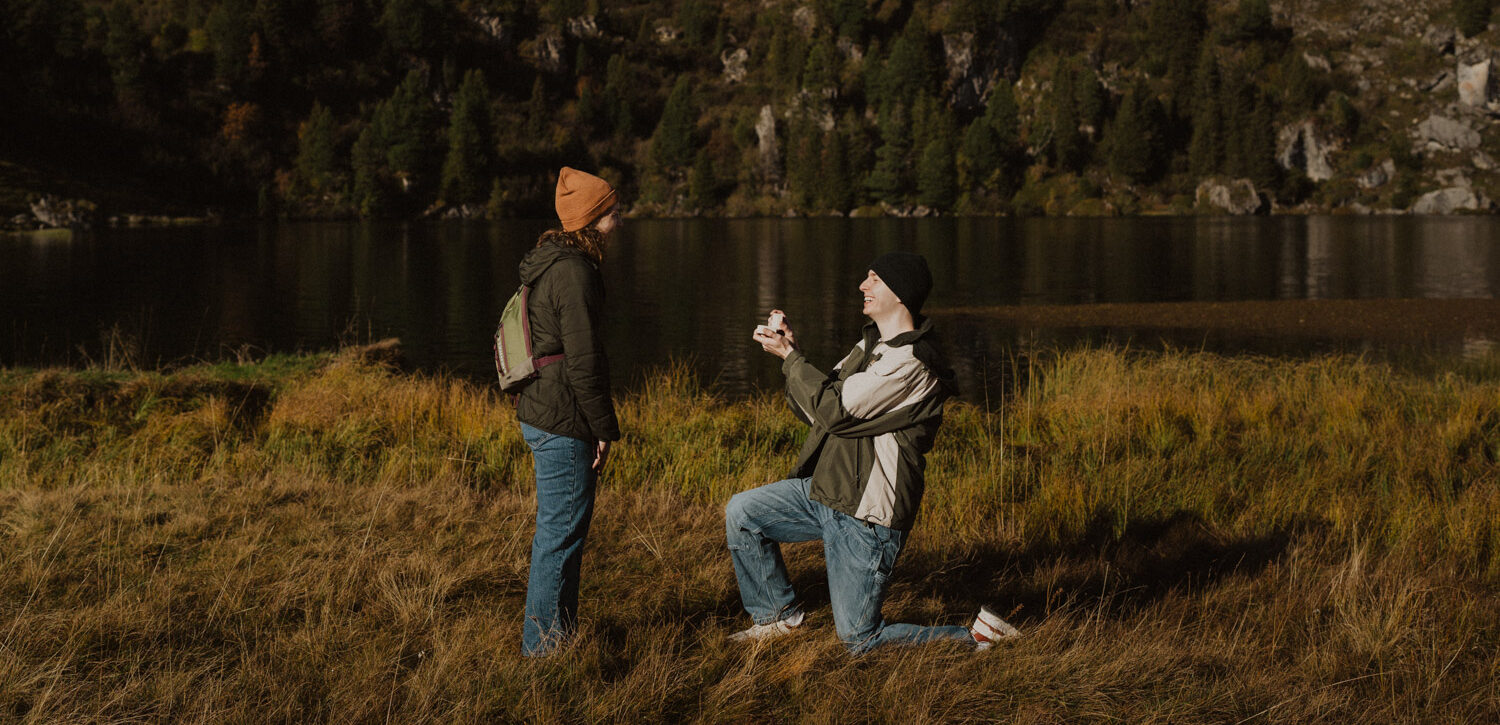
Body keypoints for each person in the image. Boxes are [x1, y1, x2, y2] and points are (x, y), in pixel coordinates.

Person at [728, 251, 1020, 654]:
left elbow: (833, 410)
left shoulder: (911, 363)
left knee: (859, 640)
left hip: (866, 516)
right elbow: (816, 409)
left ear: (900, 293)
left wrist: (791, 359)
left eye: (874, 279)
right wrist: (792, 353)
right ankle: (777, 617)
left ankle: (978, 639)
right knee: (743, 514)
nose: (863, 286)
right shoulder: (872, 344)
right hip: (830, 490)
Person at [513, 166, 622, 656]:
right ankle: (543, 651)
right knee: (559, 538)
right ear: (593, 219)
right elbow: (585, 363)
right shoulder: (575, 273)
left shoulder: (551, 263)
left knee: (561, 534)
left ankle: (557, 636)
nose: (619, 220)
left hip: (542, 410)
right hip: (563, 419)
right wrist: (603, 429)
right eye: (613, 212)